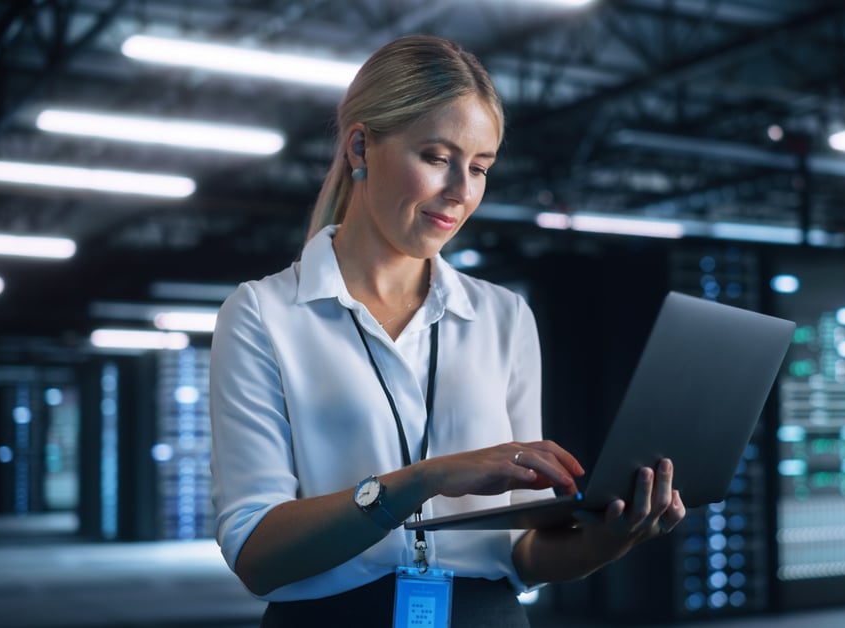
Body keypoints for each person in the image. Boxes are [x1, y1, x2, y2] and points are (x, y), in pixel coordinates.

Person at [208, 35, 687, 628]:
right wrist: (426, 479)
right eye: (437, 158)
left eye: (480, 168)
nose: (461, 191)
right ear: (360, 146)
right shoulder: (263, 313)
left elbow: (524, 551)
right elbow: (257, 555)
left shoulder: (503, 316)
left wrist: (611, 539)